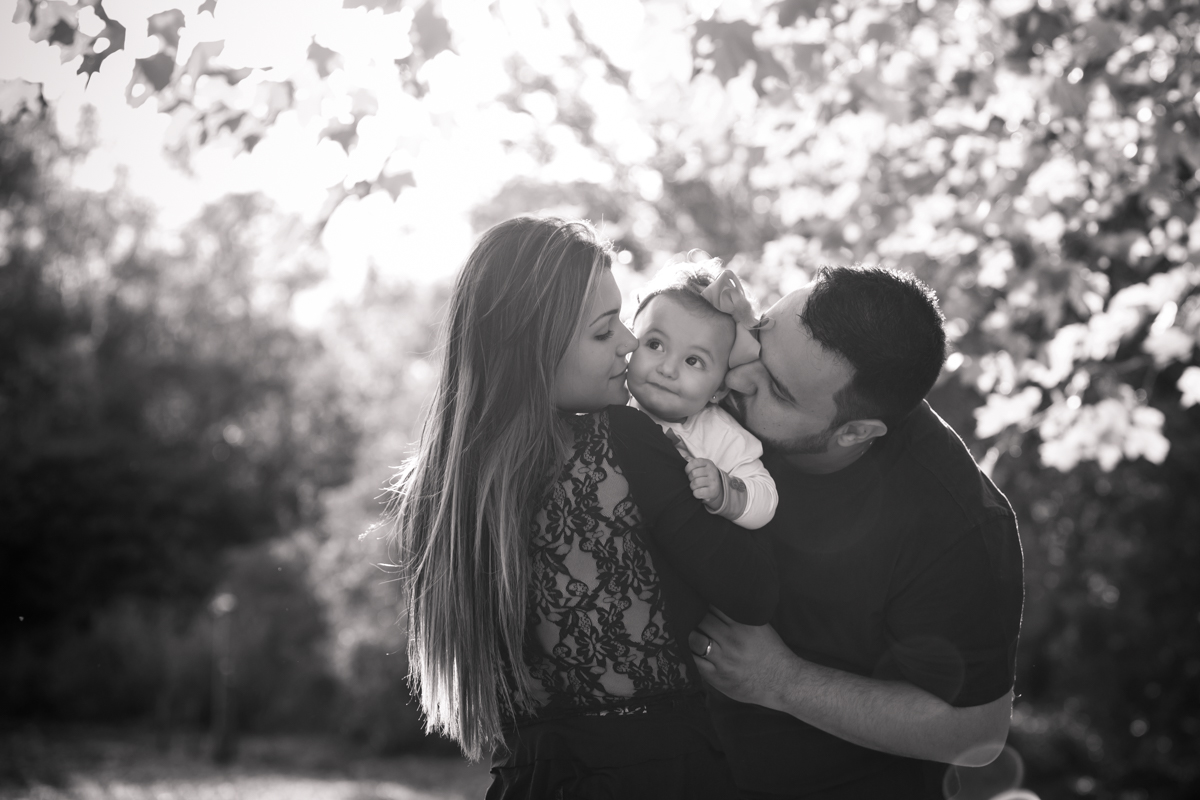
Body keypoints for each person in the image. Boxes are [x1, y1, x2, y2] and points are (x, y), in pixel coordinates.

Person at [386, 216, 778, 800]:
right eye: (602, 331)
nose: (628, 341)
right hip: (657, 776)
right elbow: (753, 592)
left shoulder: (440, 490)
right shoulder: (619, 442)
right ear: (533, 351)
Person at [690, 265, 1025, 799]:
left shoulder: (957, 525)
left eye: (778, 390)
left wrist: (783, 681)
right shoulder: (732, 377)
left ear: (854, 432)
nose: (737, 379)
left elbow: (978, 733)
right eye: (762, 330)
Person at [627, 256, 778, 529]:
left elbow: (766, 499)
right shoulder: (610, 397)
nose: (668, 369)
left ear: (719, 389)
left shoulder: (720, 435)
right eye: (655, 344)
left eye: (693, 361)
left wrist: (723, 489)